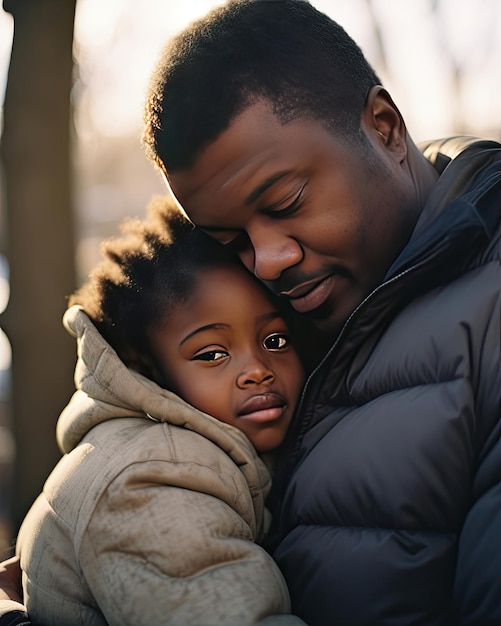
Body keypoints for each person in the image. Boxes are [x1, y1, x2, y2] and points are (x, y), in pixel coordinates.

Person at [1, 0, 501, 624]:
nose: (266, 261)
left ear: (385, 127)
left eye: (287, 201)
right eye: (230, 240)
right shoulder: (317, 301)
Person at [6, 196, 306, 626]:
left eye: (275, 341)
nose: (257, 371)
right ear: (149, 370)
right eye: (211, 354)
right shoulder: (150, 477)